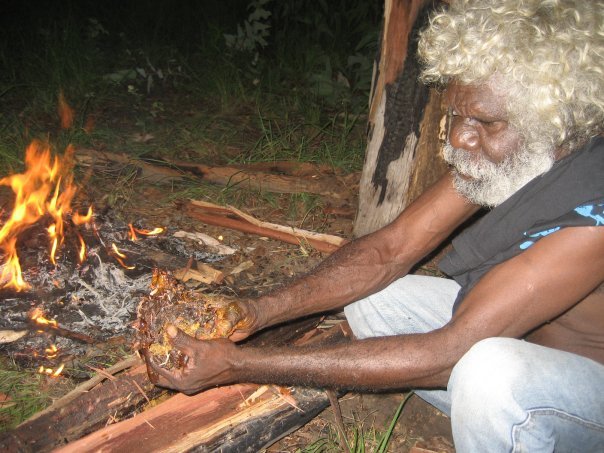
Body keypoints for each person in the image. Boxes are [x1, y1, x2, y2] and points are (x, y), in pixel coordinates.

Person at [146, 0, 604, 450]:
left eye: (483, 121)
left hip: (585, 396)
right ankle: (488, 418)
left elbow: (449, 355)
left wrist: (239, 364)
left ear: (553, 120)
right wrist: (256, 312)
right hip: (519, 342)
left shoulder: (593, 217)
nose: (458, 138)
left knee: (487, 371)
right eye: (457, 115)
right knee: (374, 299)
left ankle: (500, 418)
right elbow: (389, 249)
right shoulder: (517, 156)